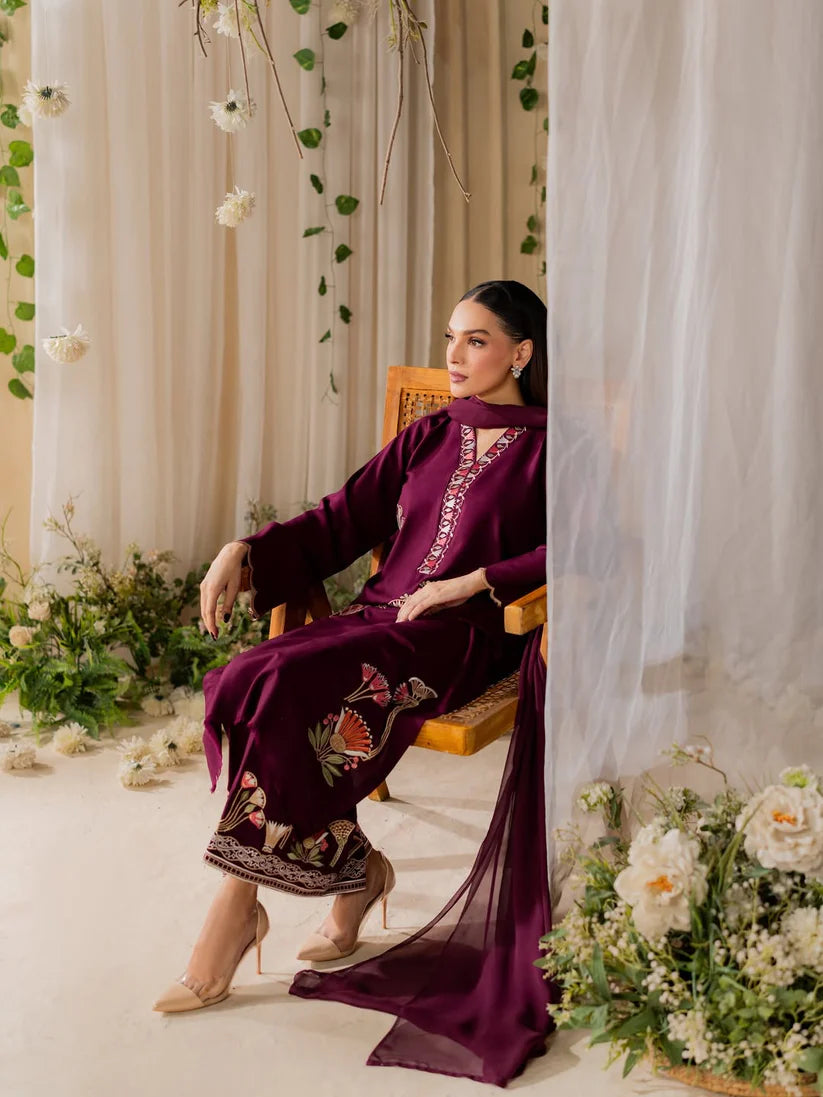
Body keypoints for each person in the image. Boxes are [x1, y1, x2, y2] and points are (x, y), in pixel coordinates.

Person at [152, 279, 550, 1083]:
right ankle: (357, 870)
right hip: (381, 618)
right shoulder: (430, 432)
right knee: (248, 675)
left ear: (521, 352)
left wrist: (472, 581)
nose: (453, 355)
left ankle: (234, 910)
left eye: (475, 340)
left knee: (290, 684)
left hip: (462, 640)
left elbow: (585, 544)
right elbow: (340, 519)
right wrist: (246, 550)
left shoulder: (556, 446)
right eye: (450, 337)